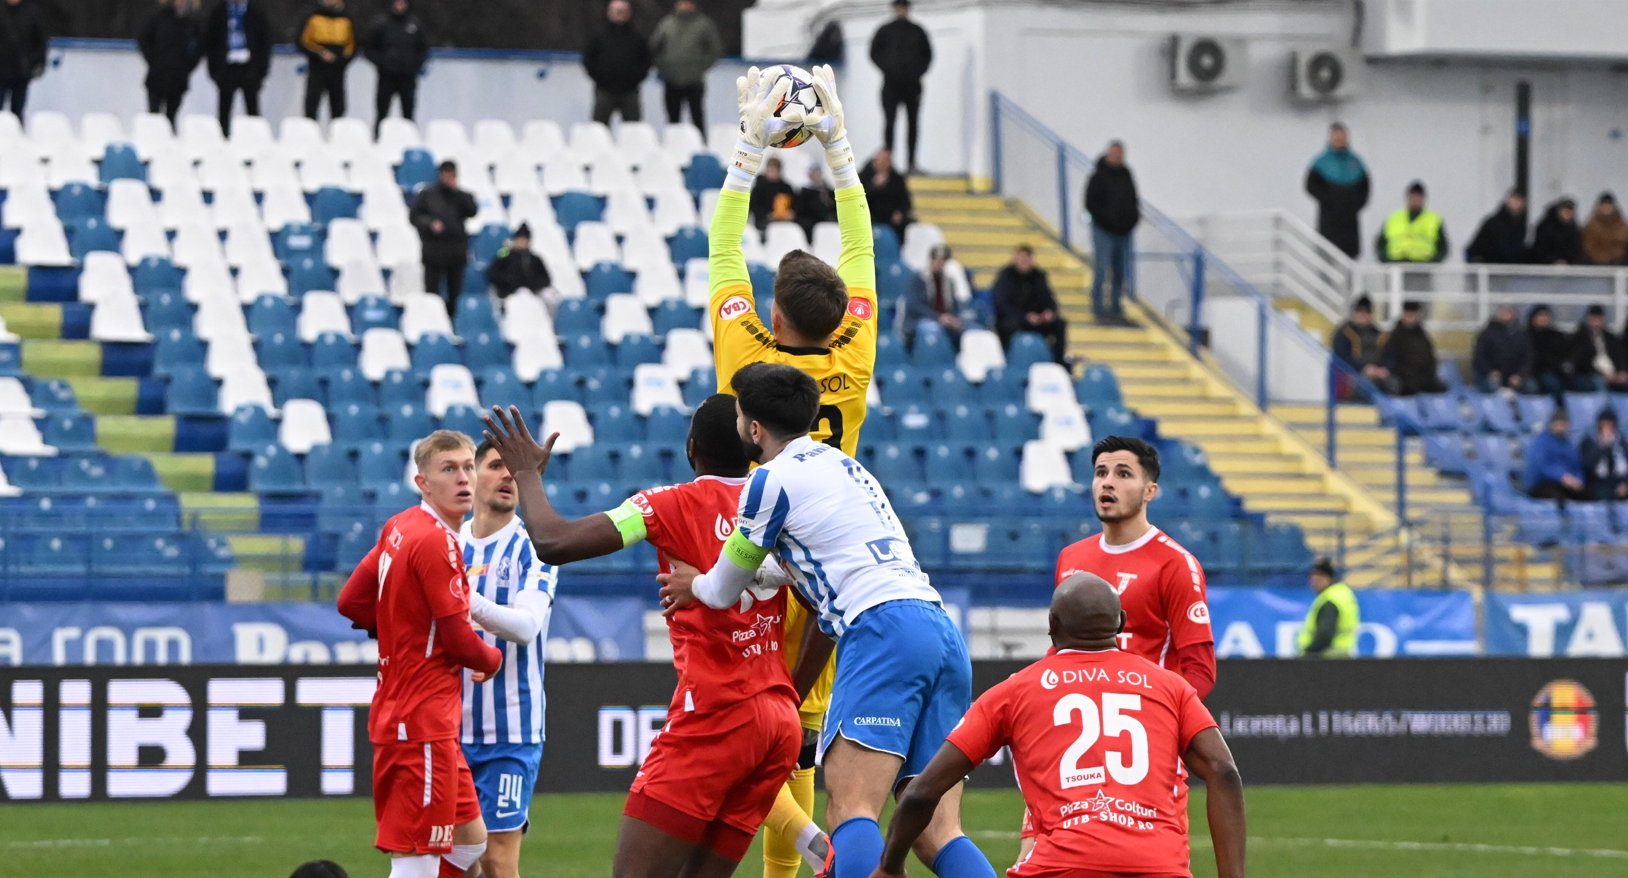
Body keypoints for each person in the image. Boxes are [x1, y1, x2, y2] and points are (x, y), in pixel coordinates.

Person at [659, 363, 997, 878]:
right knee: (937, 833)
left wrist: (694, 584)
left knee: (851, 809)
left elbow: (723, 588)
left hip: (881, 632)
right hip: (937, 627)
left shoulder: (767, 482)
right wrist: (765, 575)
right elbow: (803, 560)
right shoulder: (842, 464)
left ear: (753, 429)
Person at [479, 397, 828, 878]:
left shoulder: (664, 505)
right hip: (777, 724)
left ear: (691, 447)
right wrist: (790, 695)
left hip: (713, 714)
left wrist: (527, 474)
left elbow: (554, 542)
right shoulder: (779, 505)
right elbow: (825, 609)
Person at [705, 66, 881, 878]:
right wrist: (840, 148)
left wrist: (749, 151)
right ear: (843, 313)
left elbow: (721, 246)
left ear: (774, 316)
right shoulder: (856, 349)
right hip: (829, 568)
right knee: (800, 742)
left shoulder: (746, 357)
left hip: (754, 562)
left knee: (742, 736)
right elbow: (862, 244)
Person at [872, 574, 1246, 878]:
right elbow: (1224, 771)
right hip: (1161, 868)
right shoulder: (1170, 686)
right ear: (1122, 623)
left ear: (1052, 625)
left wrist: (890, 866)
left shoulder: (1014, 691)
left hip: (1062, 866)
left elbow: (922, 792)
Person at [1016, 435, 1218, 861]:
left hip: (1140, 751)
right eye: (1100, 473)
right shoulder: (1072, 557)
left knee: (1142, 862)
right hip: (1075, 746)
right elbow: (1062, 652)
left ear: (1150, 491)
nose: (1107, 483)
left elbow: (1200, 670)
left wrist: (1161, 725)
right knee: (1041, 860)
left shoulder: (1175, 564)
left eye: (1123, 474)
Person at [336, 431, 502, 878]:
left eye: (468, 467)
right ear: (422, 481)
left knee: (471, 844)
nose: (463, 478)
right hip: (420, 723)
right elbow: (460, 642)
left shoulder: (400, 525)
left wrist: (398, 631)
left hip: (425, 721)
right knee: (417, 864)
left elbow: (350, 601)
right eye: (449, 469)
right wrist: (493, 661)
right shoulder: (437, 542)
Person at [454, 440, 560, 878]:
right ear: (471, 476)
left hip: (510, 733)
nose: (508, 477)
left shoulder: (535, 547)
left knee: (497, 860)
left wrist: (460, 595)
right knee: (459, 860)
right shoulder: (448, 544)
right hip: (450, 729)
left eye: (515, 470)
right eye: (497, 466)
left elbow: (526, 626)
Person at [868, 0, 931, 174]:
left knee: (913, 124)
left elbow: (927, 56)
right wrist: (889, 68)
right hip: (891, 84)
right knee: (890, 123)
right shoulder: (885, 31)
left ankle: (911, 163)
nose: (901, 10)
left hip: (912, 85)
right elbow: (874, 53)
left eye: (904, 7)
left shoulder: (917, 31)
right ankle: (889, 164)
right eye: (899, 7)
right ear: (895, 9)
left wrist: (916, 72)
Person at [411, 160, 478, 318]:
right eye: (446, 174)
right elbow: (414, 216)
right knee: (432, 294)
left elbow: (473, 211)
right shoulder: (427, 195)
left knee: (455, 295)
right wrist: (429, 224)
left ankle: (453, 322)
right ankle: (430, 320)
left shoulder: (461, 196)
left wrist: (458, 193)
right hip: (434, 251)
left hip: (456, 253)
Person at [1084, 140, 1140, 324]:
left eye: (1120, 154)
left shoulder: (1127, 176)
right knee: (1101, 269)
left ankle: (1116, 309)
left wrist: (1132, 221)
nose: (1117, 157)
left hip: (1124, 233)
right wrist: (1106, 221)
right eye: (1114, 153)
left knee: (1120, 272)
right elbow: (1091, 203)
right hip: (1104, 231)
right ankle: (1098, 308)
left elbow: (1133, 201)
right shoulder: (1097, 177)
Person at [649, 0, 720, 129]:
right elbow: (655, 48)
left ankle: (700, 145)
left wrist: (700, 67)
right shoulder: (666, 24)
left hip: (694, 80)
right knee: (672, 117)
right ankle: (673, 144)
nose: (684, 5)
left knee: (697, 116)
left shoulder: (703, 24)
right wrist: (663, 67)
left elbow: (714, 50)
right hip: (671, 80)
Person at [992, 244, 1067, 365]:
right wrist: (1025, 316)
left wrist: (1049, 311)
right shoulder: (1005, 277)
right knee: (1010, 325)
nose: (1023, 262)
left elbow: (1049, 298)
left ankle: (1059, 363)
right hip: (1015, 319)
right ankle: (1014, 361)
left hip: (1037, 320)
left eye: (1027, 259)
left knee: (1059, 324)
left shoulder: (1039, 276)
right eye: (1021, 258)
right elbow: (1002, 305)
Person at [205, 0, 271, 136]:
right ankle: (223, 139)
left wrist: (261, 70)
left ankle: (255, 139)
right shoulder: (219, 12)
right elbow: (211, 42)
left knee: (252, 108)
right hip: (227, 67)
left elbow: (264, 42)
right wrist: (214, 70)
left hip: (249, 67)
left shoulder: (256, 12)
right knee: (224, 108)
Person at [1303, 122, 1369, 259]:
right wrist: (1328, 199)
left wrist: (1355, 204)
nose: (1339, 140)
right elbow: (1310, 186)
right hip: (1329, 222)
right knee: (1327, 258)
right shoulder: (1321, 162)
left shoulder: (1356, 162)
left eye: (1342, 137)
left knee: (1349, 261)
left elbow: (1365, 188)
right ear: (1331, 138)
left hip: (1350, 224)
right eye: (1336, 137)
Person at [364, 0, 428, 137]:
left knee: (408, 113)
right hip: (387, 76)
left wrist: (414, 64)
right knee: (382, 112)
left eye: (402, 2)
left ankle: (409, 140)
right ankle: (378, 139)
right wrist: (382, 63)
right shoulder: (381, 24)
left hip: (408, 76)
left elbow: (423, 49)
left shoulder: (415, 24)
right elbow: (369, 48)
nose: (400, 5)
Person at [584, 0, 651, 125]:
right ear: (609, 13)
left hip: (630, 91)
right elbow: (589, 60)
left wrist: (635, 78)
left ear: (629, 13)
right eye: (616, 11)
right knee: (599, 129)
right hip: (604, 90)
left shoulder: (637, 38)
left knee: (633, 130)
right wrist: (600, 78)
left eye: (622, 11)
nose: (619, 14)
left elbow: (646, 61)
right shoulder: (598, 37)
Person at [139, 0, 204, 126]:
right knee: (153, 116)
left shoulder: (192, 22)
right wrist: (154, 60)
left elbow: (199, 47)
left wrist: (188, 66)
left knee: (171, 117)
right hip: (157, 76)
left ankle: (170, 142)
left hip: (178, 78)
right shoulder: (159, 17)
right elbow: (144, 40)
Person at [898, 244, 971, 351]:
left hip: (944, 321)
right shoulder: (919, 279)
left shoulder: (948, 282)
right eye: (936, 260)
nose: (939, 264)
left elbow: (952, 306)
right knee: (930, 328)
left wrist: (953, 319)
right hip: (921, 321)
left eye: (942, 261)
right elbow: (914, 305)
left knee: (967, 329)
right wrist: (938, 317)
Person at [298, 0, 356, 121]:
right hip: (317, 68)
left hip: (337, 70)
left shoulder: (347, 18)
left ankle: (337, 134)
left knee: (338, 105)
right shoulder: (312, 16)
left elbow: (353, 44)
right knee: (312, 103)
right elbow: (302, 41)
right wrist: (319, 53)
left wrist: (341, 60)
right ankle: (310, 133)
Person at [1331, 295, 1396, 397]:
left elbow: (1390, 356)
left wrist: (1385, 369)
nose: (1362, 316)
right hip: (1354, 375)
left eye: (1365, 313)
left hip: (1377, 374)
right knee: (1367, 384)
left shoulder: (1380, 335)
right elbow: (1343, 357)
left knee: (1394, 384)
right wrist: (1364, 368)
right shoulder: (1344, 333)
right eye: (1359, 312)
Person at [1379, 301, 1445, 396]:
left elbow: (1430, 359)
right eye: (1408, 315)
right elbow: (1390, 360)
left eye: (1412, 315)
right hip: (1404, 379)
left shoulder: (1423, 337)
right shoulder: (1395, 336)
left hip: (1423, 378)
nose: (1410, 318)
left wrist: (1429, 375)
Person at [1298, 558, 1360, 658]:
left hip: (1327, 659)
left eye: (1317, 579)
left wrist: (1308, 654)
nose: (1313, 583)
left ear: (1327, 578)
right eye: (1312, 579)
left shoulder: (1330, 600)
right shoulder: (1342, 593)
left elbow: (1325, 633)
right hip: (1342, 657)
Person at [1524, 410, 1588, 504]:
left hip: (1565, 485)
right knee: (1559, 499)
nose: (1561, 427)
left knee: (1588, 495)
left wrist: (1578, 480)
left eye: (1564, 424)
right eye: (1559, 424)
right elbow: (1541, 466)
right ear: (1552, 424)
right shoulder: (1541, 442)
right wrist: (1562, 476)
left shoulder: (1569, 445)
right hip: (1542, 484)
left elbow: (1576, 466)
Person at [1377, 181, 1447, 263]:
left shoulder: (1434, 219)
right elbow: (1380, 244)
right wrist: (1386, 261)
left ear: (1423, 198)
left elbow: (1443, 247)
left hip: (1422, 267)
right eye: (1412, 196)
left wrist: (1433, 263)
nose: (1415, 200)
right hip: (1397, 265)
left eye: (1418, 197)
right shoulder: (1394, 218)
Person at [0, 0, 48, 116]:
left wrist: (36, 63)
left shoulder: (31, 12)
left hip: (21, 73)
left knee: (17, 112)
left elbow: (40, 41)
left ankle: (17, 133)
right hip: (1, 71)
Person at [1472, 304, 1531, 393]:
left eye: (1509, 312)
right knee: (1494, 388)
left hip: (1514, 375)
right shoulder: (1487, 334)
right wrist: (1490, 372)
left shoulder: (1522, 336)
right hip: (1487, 374)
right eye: (1504, 312)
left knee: (1531, 387)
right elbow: (1479, 357)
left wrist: (1519, 375)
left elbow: (1528, 358)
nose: (1506, 315)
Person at [1568, 304, 1627, 393]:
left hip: (1613, 373)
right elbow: (1582, 362)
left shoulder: (1609, 338)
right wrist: (1602, 375)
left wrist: (1622, 371)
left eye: (1599, 319)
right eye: (1594, 319)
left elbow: (1619, 355)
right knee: (1599, 383)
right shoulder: (1580, 338)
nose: (1596, 322)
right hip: (1590, 375)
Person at [486, 223, 551, 299]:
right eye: (520, 239)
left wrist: (532, 283)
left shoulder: (535, 259)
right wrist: (508, 280)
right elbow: (493, 273)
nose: (522, 242)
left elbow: (546, 279)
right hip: (508, 295)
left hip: (532, 296)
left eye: (524, 240)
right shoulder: (505, 256)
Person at [861, 149, 913, 243]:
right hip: (870, 215)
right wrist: (873, 186)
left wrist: (900, 212)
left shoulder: (897, 179)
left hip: (891, 218)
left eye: (887, 160)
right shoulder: (864, 176)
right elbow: (860, 197)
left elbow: (905, 200)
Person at [1466, 190, 1530, 264]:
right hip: (1493, 266)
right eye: (1515, 200)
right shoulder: (1495, 223)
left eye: (1520, 201)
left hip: (1506, 267)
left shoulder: (1520, 224)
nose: (1517, 204)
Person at [1581, 409, 1628, 501]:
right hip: (1598, 482)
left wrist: (1625, 483)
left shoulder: (1622, 442)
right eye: (1604, 423)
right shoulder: (1588, 441)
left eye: (1610, 424)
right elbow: (1587, 465)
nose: (1607, 427)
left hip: (1619, 480)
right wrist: (1602, 447)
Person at [1529, 305, 1571, 397]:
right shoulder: (1527, 336)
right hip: (1536, 371)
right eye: (1540, 315)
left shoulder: (1557, 336)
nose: (1544, 318)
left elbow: (1566, 354)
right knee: (1551, 382)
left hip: (1558, 371)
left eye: (1546, 315)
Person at [1531, 197, 1583, 265]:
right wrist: (1553, 261)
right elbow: (1540, 250)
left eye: (1570, 211)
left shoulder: (1574, 229)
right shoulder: (1545, 227)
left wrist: (1567, 261)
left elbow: (1576, 251)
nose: (1567, 214)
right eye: (1565, 211)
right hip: (1545, 267)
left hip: (1568, 267)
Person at [750, 156, 797, 231]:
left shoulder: (786, 188)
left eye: (775, 170)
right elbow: (754, 206)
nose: (772, 172)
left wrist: (791, 213)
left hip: (784, 220)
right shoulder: (759, 187)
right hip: (763, 221)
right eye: (771, 170)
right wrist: (768, 215)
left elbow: (795, 204)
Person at [1582, 193, 1628, 266]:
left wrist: (1612, 257)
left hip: (1618, 264)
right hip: (1594, 264)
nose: (1606, 208)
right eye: (1603, 205)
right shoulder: (1590, 226)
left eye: (1608, 205)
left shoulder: (1622, 226)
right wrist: (1600, 257)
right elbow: (1588, 245)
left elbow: (1622, 246)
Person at [795, 163, 836, 237]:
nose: (817, 175)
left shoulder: (829, 191)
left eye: (818, 173)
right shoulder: (805, 192)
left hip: (828, 219)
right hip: (812, 220)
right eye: (814, 173)